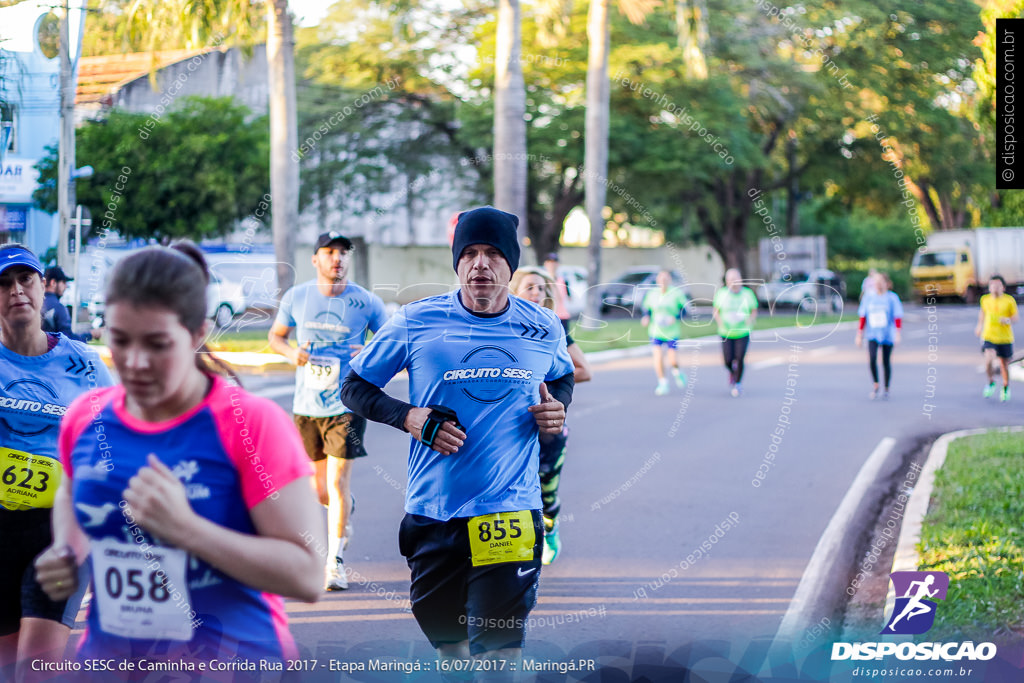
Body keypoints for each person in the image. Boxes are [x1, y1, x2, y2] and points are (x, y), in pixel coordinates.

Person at [34, 243, 324, 670]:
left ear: (196, 333)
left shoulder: (250, 424)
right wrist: (65, 551)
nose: (134, 363)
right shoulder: (86, 416)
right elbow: (73, 495)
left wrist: (187, 530)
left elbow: (307, 576)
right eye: (120, 340)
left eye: (157, 344)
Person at [340, 207, 574, 675]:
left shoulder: (542, 325)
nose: (480, 265)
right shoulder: (416, 321)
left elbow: (562, 376)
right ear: (457, 262)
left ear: (511, 264)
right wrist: (407, 416)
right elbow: (354, 387)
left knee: (499, 653)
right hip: (434, 510)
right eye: (469, 254)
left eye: (493, 254)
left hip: (509, 511)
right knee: (450, 649)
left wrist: (556, 407)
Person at [0, 245, 112, 683]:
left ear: (43, 289)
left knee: (36, 671)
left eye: (25, 280)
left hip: (59, 532)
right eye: (4, 284)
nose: (16, 292)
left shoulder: (83, 365)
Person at [268, 231, 387, 591]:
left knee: (336, 483)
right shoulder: (297, 297)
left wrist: (366, 355)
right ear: (315, 259)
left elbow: (391, 348)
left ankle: (333, 562)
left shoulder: (366, 303)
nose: (338, 258)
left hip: (346, 404)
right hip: (306, 406)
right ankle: (344, 509)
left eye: (344, 253)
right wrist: (293, 355)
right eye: (330, 252)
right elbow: (276, 337)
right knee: (318, 489)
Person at [510, 267, 592, 565]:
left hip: (545, 425)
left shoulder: (552, 327)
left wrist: (542, 387)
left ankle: (550, 525)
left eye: (542, 289)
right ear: (513, 290)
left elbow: (582, 370)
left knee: (545, 487)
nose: (537, 293)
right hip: (504, 427)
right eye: (530, 287)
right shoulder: (496, 327)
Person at [640, 270, 689, 396]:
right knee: (658, 356)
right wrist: (646, 317)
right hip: (656, 330)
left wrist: (676, 317)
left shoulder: (676, 293)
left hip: (671, 332)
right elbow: (647, 309)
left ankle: (677, 372)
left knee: (673, 360)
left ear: (669, 280)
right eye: (661, 279)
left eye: (665, 279)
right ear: (657, 280)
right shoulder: (652, 293)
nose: (663, 281)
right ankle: (662, 382)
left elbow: (685, 310)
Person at [856, 272, 903, 400]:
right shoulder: (868, 297)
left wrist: (897, 333)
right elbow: (863, 316)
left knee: (886, 361)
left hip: (887, 333)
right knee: (872, 359)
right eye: (875, 282)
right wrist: (859, 335)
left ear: (887, 283)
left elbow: (897, 316)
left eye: (880, 282)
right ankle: (876, 384)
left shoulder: (892, 298)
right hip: (872, 333)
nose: (877, 284)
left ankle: (886, 387)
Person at [712, 268, 758, 397]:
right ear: (726, 281)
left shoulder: (747, 294)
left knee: (740, 357)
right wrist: (720, 322)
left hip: (742, 331)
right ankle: (732, 372)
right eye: (731, 279)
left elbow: (753, 309)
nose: (734, 282)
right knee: (727, 360)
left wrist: (750, 320)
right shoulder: (721, 293)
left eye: (736, 279)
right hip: (726, 332)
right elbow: (716, 310)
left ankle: (737, 383)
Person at [975, 275, 1019, 402]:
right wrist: (979, 326)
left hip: (1005, 338)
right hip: (989, 335)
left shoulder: (1009, 300)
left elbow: (1015, 317)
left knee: (1004, 364)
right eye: (992, 285)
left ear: (1003, 287)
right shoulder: (985, 299)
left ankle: (1005, 387)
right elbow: (982, 313)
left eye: (998, 285)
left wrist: (1007, 320)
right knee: (988, 358)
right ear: (989, 287)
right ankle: (991, 382)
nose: (995, 287)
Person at [41, 266, 101, 342]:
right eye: (63, 282)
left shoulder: (34, 305)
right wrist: (91, 334)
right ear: (53, 283)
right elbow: (68, 341)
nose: (66, 287)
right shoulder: (58, 308)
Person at [542, 252, 572, 333]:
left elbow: (563, 298)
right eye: (550, 262)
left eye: (554, 263)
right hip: (548, 317)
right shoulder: (542, 280)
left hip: (562, 316)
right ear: (545, 264)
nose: (552, 265)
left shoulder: (563, 280)